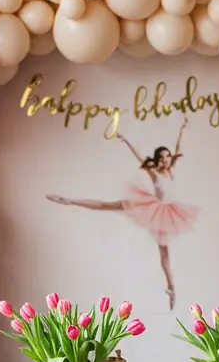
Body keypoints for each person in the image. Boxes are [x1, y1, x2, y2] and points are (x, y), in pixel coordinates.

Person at [47, 119, 198, 310]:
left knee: (165, 254)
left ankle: (171, 289)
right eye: (163, 158)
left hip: (166, 212)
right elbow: (139, 157)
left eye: (168, 157)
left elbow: (177, 149)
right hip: (152, 207)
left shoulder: (171, 169)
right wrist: (126, 140)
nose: (166, 160)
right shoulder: (155, 173)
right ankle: (69, 200)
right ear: (158, 160)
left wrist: (182, 129)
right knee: (107, 205)